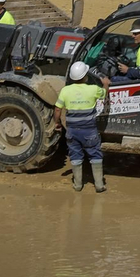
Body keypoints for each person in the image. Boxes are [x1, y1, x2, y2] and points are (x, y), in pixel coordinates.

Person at [55, 61, 107, 192]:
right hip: (89, 130)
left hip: (72, 131)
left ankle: (78, 185)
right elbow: (104, 94)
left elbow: (57, 110)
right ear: (85, 76)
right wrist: (106, 83)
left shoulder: (65, 91)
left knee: (75, 155)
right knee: (95, 154)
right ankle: (99, 185)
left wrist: (57, 123)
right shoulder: (93, 89)